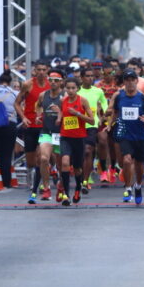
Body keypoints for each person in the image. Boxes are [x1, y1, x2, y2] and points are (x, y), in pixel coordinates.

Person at [107, 70, 144, 205]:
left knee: (139, 165)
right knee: (127, 161)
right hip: (125, 134)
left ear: (137, 81)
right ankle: (127, 188)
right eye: (127, 79)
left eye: (132, 79)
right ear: (124, 82)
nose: (130, 82)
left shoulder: (142, 98)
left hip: (140, 135)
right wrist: (110, 125)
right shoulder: (119, 96)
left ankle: (138, 186)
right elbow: (115, 112)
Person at [14, 61, 50, 192]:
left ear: (47, 71)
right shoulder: (28, 84)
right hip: (30, 126)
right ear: (34, 71)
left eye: (43, 70)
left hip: (45, 126)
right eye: (38, 70)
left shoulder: (51, 85)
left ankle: (42, 183)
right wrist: (23, 117)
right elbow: (17, 103)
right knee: (30, 161)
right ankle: (31, 179)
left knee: (42, 157)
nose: (41, 72)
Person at [56, 78, 93, 206]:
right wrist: (58, 118)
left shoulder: (82, 101)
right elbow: (61, 115)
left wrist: (77, 113)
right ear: (65, 88)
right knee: (65, 163)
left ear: (78, 88)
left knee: (77, 168)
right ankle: (66, 194)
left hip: (79, 138)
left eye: (73, 88)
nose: (71, 91)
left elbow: (92, 121)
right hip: (65, 137)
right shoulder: (63, 101)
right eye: (68, 88)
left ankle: (78, 188)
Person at [30, 70, 64, 204]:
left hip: (60, 133)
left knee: (61, 162)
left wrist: (60, 114)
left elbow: (71, 112)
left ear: (61, 82)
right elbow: (38, 106)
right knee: (43, 158)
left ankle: (61, 184)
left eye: (56, 80)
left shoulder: (65, 96)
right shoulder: (43, 95)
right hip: (46, 131)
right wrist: (38, 116)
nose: (53, 83)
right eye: (51, 80)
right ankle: (46, 188)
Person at [78, 67, 108, 193]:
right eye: (87, 76)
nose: (90, 78)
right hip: (77, 125)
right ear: (82, 78)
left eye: (92, 76)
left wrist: (105, 115)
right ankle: (80, 174)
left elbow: (105, 104)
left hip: (92, 125)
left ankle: (85, 180)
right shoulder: (76, 91)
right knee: (79, 154)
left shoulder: (98, 91)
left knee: (88, 151)